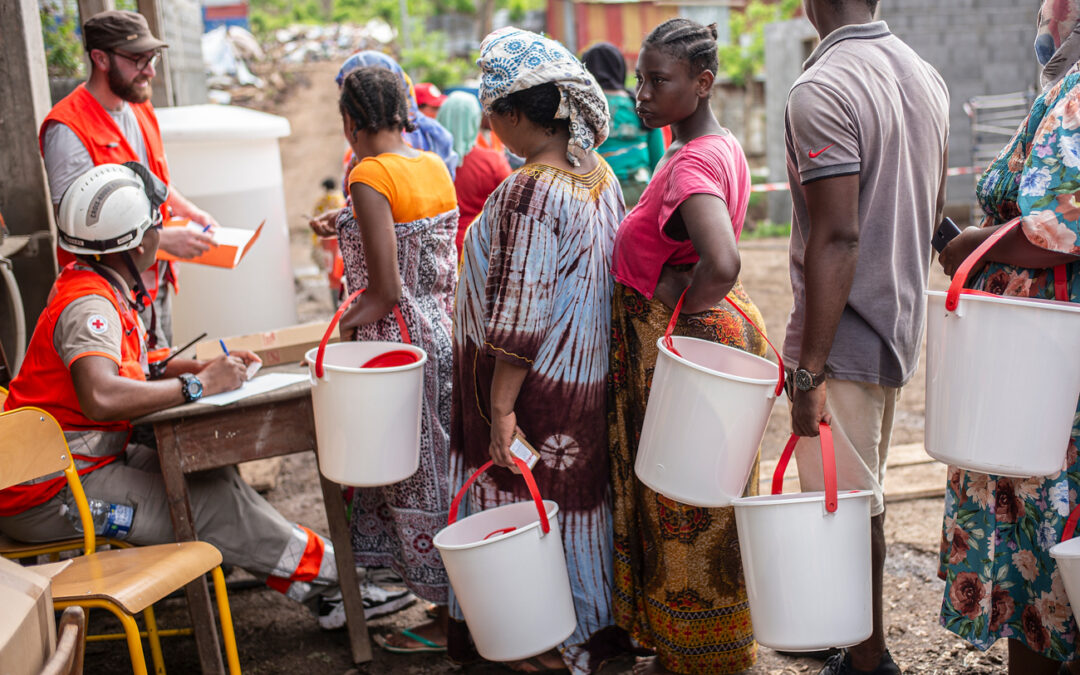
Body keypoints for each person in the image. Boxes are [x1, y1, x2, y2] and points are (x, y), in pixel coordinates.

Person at [0, 164, 381, 631]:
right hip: (50, 495)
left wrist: (194, 367)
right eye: (159, 223)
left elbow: (129, 365)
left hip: (80, 469)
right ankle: (343, 582)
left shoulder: (97, 284)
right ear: (140, 243)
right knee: (208, 508)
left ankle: (324, 590)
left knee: (213, 483)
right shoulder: (91, 306)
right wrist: (200, 386)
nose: (165, 231)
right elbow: (99, 394)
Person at [448, 27, 623, 675]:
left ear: (518, 115)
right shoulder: (596, 171)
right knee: (575, 508)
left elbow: (519, 317)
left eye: (494, 113)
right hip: (583, 386)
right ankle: (591, 634)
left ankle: (545, 642)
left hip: (534, 397)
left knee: (527, 512)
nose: (490, 124)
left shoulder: (528, 192)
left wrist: (499, 410)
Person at [783, 1, 949, 673]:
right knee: (862, 496)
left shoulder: (822, 88)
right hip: (899, 320)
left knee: (848, 507)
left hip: (845, 330)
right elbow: (932, 198)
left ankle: (868, 655)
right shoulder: (923, 74)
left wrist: (807, 370)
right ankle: (853, 638)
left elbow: (839, 234)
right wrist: (945, 245)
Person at [606, 19, 763, 675]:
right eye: (641, 77)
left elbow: (721, 260)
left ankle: (694, 658)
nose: (642, 92)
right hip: (704, 341)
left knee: (682, 505)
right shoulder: (715, 144)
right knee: (704, 496)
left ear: (701, 84)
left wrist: (678, 307)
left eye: (657, 80)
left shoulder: (692, 163)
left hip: (684, 346)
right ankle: (709, 649)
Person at [937, 2, 1080, 673]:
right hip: (1038, 354)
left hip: (1048, 360)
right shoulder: (1061, 89)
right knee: (1039, 535)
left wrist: (977, 242)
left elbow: (1061, 224)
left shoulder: (1079, 93)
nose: (1048, 14)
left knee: (1052, 529)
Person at [335, 66, 459, 654]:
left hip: (397, 346)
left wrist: (341, 328)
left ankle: (446, 615)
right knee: (442, 464)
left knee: (413, 475)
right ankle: (455, 602)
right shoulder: (430, 163)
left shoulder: (368, 174)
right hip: (443, 330)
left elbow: (382, 290)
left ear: (352, 121)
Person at [40, 10, 220, 350]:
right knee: (142, 387)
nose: (150, 71)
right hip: (110, 294)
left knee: (162, 366)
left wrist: (188, 210)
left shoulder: (138, 104)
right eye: (138, 60)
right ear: (100, 58)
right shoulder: (67, 129)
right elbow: (76, 230)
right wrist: (164, 240)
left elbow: (154, 181)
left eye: (151, 58)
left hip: (154, 279)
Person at [582, 42, 665, 207]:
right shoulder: (641, 104)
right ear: (620, 69)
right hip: (642, 193)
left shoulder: (583, 109)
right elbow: (659, 161)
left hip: (601, 197)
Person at [435, 91, 513, 258]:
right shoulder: (493, 162)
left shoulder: (423, 159)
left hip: (434, 249)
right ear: (474, 121)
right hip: (477, 249)